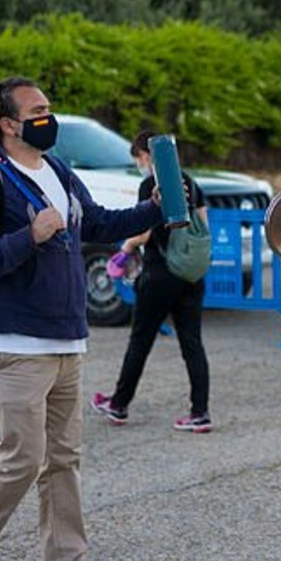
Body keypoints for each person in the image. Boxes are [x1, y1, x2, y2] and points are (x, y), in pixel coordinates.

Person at [0, 77, 167, 561]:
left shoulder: (57, 171)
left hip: (64, 338)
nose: (49, 117)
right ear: (7, 124)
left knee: (64, 457)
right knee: (22, 455)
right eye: (38, 110)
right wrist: (30, 236)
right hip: (11, 339)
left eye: (49, 108)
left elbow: (97, 222)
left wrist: (155, 209)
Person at [92, 130, 212, 432]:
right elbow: (203, 224)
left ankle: (119, 405)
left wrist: (127, 249)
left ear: (146, 156)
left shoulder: (151, 184)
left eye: (139, 159)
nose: (140, 166)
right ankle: (200, 413)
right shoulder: (190, 182)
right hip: (190, 271)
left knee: (141, 340)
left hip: (159, 272)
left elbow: (144, 231)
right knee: (192, 343)